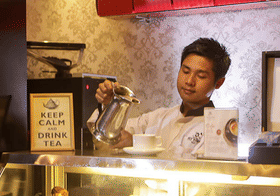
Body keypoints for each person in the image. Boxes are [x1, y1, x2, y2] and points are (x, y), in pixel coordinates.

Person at [93, 37, 231, 158]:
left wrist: (138, 145)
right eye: (185, 71)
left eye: (201, 76)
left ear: (218, 83)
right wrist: (111, 106)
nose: (189, 81)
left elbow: (201, 172)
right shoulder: (157, 118)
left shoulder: (220, 130)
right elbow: (103, 140)